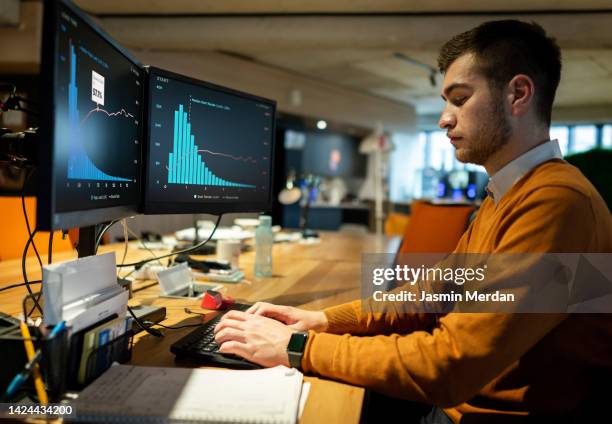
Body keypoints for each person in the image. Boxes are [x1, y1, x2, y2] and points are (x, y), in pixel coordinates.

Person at [214, 20, 612, 422]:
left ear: (518, 94)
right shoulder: (507, 191)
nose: (444, 119)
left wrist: (298, 347)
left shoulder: (556, 201)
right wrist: (322, 320)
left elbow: (452, 365)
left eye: (460, 99)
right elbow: (436, 291)